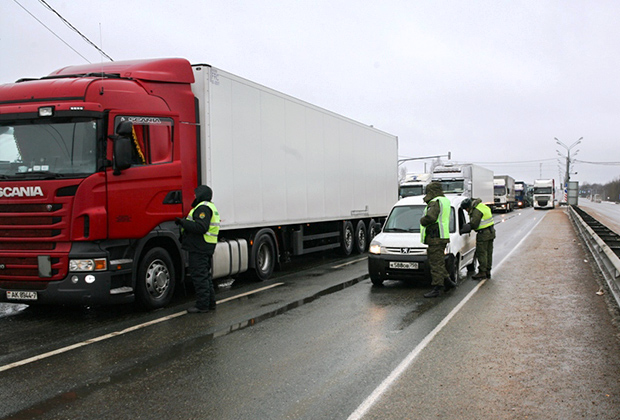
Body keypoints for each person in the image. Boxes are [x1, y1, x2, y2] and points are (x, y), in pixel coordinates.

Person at [175, 185, 220, 313]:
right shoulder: (209, 206)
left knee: (199, 276)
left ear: (201, 194)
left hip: (200, 247)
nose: (194, 196)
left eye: (196, 194)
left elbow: (201, 227)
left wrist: (183, 222)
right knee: (205, 276)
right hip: (204, 246)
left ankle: (202, 305)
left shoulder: (203, 208)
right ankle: (210, 303)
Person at [420, 182, 454, 298]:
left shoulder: (434, 202)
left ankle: (437, 288)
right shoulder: (444, 200)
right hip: (441, 236)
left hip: (435, 237)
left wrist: (422, 220)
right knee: (439, 262)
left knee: (435, 264)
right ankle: (448, 282)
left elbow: (431, 217)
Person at [460, 197, 495, 280]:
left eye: (466, 209)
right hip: (491, 232)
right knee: (488, 253)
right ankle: (488, 271)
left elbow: (474, 224)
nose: (466, 211)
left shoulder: (476, 211)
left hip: (483, 234)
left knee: (482, 253)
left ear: (468, 207)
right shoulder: (482, 206)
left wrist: (464, 228)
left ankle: (482, 272)